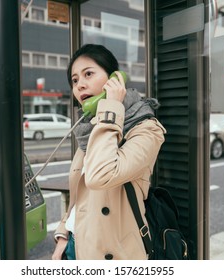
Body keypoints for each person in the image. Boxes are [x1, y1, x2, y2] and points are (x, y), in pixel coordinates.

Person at [52, 44, 166, 260]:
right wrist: (63, 235)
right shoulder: (90, 129)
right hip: (77, 246)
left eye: (88, 74)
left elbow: (101, 176)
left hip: (114, 253)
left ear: (115, 79)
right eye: (75, 80)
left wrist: (112, 106)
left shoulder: (146, 128)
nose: (80, 85)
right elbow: (79, 197)